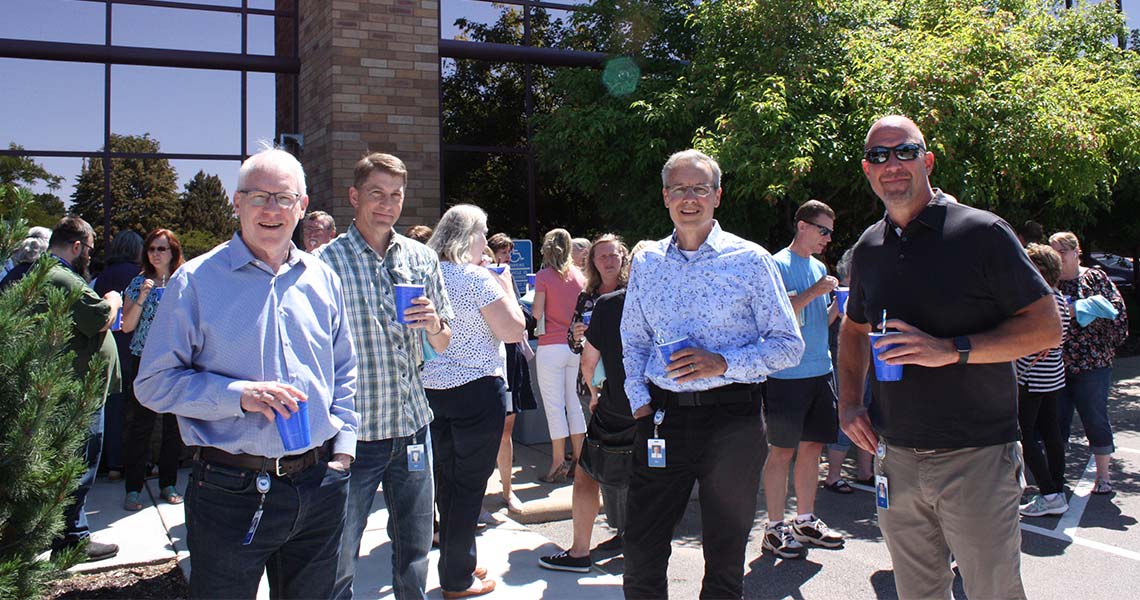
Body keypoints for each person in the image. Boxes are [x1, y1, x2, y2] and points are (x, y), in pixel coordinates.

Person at [839, 115, 1061, 600]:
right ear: (867, 170)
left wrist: (950, 351)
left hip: (976, 455)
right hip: (894, 457)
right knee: (918, 592)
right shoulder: (870, 247)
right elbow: (854, 330)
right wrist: (849, 403)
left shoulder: (981, 232)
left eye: (905, 151)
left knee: (993, 591)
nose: (891, 164)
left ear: (928, 160)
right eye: (879, 156)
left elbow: (1046, 328)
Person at [135, 148, 359, 599]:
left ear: (302, 205)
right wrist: (236, 394)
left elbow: (345, 370)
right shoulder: (195, 281)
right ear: (236, 203)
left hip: (319, 486)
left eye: (283, 197)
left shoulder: (323, 278)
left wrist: (344, 451)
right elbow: (153, 383)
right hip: (228, 490)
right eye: (258, 196)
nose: (271, 209)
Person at [620, 149, 803, 598]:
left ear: (717, 196)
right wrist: (638, 400)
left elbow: (788, 345)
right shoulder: (646, 262)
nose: (689, 198)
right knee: (641, 547)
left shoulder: (751, 260)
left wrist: (724, 363)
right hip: (663, 421)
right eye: (679, 188)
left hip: (733, 421)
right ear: (665, 197)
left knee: (724, 556)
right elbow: (634, 339)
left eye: (700, 188)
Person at [314, 152, 453, 600]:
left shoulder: (420, 258)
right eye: (376, 194)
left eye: (395, 195)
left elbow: (443, 343)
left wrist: (433, 324)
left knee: (414, 548)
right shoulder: (324, 264)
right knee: (339, 551)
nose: (387, 204)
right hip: (353, 434)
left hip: (412, 426)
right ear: (354, 196)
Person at [423, 204, 525, 598]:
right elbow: (514, 330)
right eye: (483, 233)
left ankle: (458, 561)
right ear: (469, 237)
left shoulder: (427, 274)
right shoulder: (475, 277)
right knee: (468, 486)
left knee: (447, 482)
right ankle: (457, 579)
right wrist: (504, 288)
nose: (486, 241)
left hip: (432, 390)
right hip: (476, 389)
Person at [539, 237, 640, 573]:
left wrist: (597, 392)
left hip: (611, 396)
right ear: (592, 262)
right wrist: (579, 333)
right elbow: (574, 341)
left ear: (625, 259)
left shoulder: (616, 302)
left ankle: (594, 546)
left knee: (597, 469)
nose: (609, 261)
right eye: (602, 255)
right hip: (627, 396)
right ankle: (624, 532)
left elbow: (589, 359)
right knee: (623, 468)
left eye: (614, 255)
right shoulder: (590, 297)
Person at [33, 217, 123, 563]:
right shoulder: (61, 276)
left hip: (78, 385)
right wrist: (112, 299)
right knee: (80, 463)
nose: (90, 256)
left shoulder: (50, 273)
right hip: (78, 390)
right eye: (90, 249)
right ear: (76, 246)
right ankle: (71, 539)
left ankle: (66, 534)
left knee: (76, 462)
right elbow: (98, 317)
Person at [762, 199, 845, 559]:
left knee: (813, 448)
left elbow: (816, 323)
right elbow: (776, 316)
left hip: (820, 370)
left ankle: (806, 519)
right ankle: (774, 528)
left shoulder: (818, 267)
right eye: (823, 230)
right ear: (803, 226)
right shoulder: (776, 265)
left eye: (830, 232)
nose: (827, 238)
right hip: (786, 375)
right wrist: (816, 292)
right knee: (782, 452)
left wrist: (837, 307)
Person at [1049, 231, 1129, 495]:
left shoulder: (1094, 277)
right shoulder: (1048, 282)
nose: (1057, 257)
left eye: (1061, 251)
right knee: (1055, 423)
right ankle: (1055, 479)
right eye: (1053, 251)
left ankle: (1104, 477)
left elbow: (1117, 313)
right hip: (1056, 364)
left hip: (1092, 363)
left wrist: (1083, 308)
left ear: (1075, 252)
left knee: (1095, 419)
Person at [120, 228, 186, 510]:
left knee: (173, 426)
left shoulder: (183, 282)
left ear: (173, 252)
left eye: (162, 249)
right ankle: (133, 487)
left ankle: (168, 483)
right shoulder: (138, 283)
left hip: (176, 360)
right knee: (141, 425)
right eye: (151, 249)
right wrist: (142, 297)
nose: (156, 254)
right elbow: (127, 325)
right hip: (144, 359)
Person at [1016, 243, 1071, 517]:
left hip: (1032, 380)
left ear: (1040, 269)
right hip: (1053, 377)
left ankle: (1049, 492)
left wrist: (1016, 371)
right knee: (1051, 434)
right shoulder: (1059, 297)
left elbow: (1030, 343)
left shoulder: (1038, 299)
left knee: (1024, 435)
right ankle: (1056, 491)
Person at [532, 228, 587, 483]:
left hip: (550, 345)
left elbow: (537, 312)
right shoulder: (579, 277)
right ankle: (579, 458)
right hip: (574, 345)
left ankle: (557, 462)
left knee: (554, 406)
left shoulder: (543, 276)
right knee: (573, 402)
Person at [93, 230, 144, 482]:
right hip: (136, 348)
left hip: (109, 348)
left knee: (112, 407)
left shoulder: (102, 277)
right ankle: (139, 462)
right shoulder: (141, 276)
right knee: (138, 411)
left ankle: (111, 463)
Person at [822, 247, 874, 493]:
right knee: (846, 418)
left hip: (870, 363)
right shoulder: (835, 291)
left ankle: (866, 473)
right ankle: (833, 476)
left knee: (869, 415)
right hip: (842, 363)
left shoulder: (870, 291)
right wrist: (837, 305)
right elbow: (821, 325)